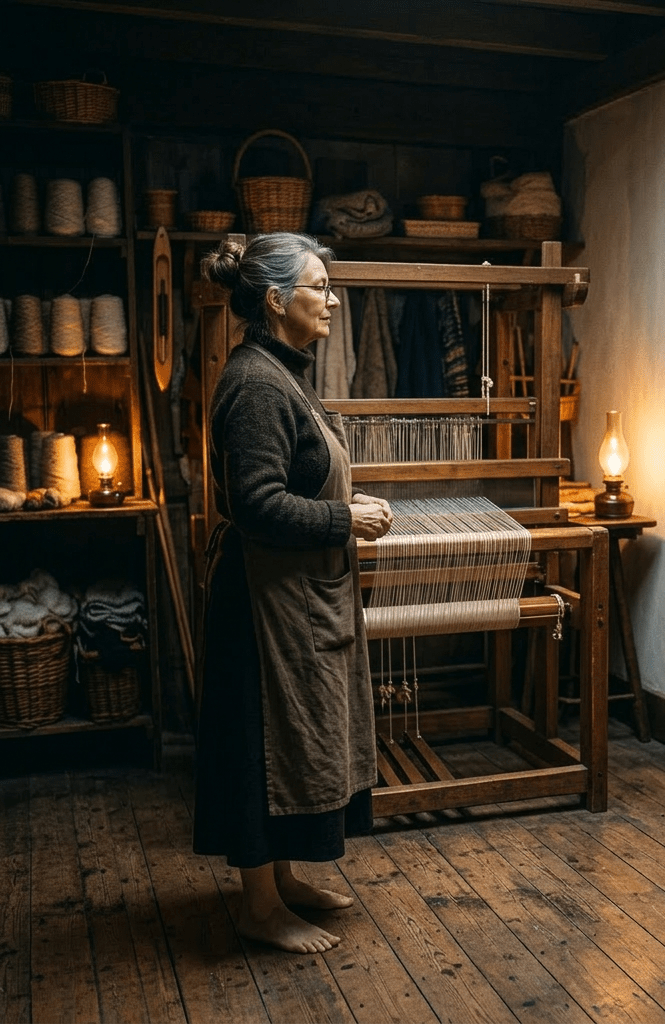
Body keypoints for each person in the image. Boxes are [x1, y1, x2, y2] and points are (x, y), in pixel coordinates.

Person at [192, 232, 392, 954]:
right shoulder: (253, 384)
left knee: (288, 746)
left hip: (294, 597)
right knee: (260, 750)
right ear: (276, 300)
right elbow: (255, 505)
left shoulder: (282, 370)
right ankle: (257, 906)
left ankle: (280, 881)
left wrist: (343, 497)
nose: (332, 298)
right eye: (318, 286)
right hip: (260, 609)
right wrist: (345, 516)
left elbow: (295, 476)